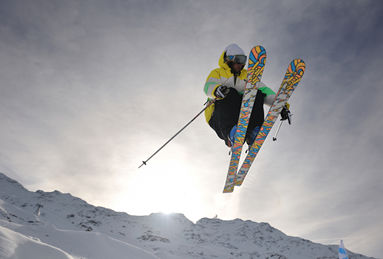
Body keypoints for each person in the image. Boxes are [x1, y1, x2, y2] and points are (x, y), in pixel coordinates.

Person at [203, 44, 286, 147]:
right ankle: (231, 134)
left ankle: (252, 133)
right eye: (239, 60)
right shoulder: (218, 72)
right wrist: (216, 90)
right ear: (229, 59)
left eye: (244, 61)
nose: (241, 64)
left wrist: (280, 105)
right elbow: (208, 85)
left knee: (256, 93)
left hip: (239, 114)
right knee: (230, 93)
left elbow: (265, 91)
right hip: (218, 116)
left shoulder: (247, 76)